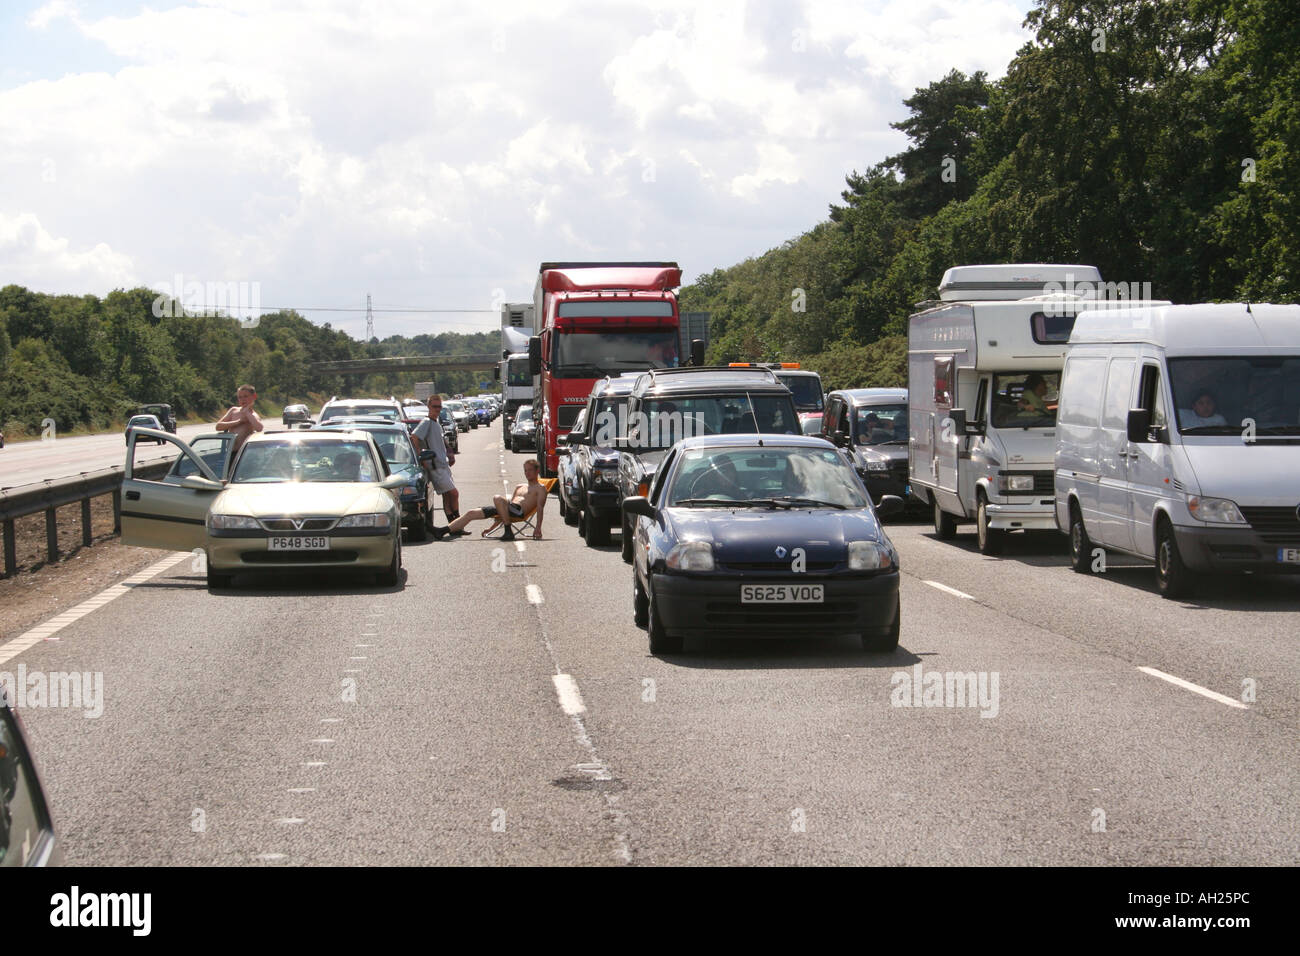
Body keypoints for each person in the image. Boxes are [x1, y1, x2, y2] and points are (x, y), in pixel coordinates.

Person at [431, 459, 547, 542]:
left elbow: (540, 508)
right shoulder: (519, 486)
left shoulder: (540, 488)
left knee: (497, 497)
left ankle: (508, 532)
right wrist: (491, 529)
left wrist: (538, 528)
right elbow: (504, 512)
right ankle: (442, 531)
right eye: (525, 470)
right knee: (471, 513)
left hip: (520, 511)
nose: (527, 473)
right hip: (510, 508)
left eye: (530, 470)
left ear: (537, 471)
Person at [411, 395, 459, 525]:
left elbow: (440, 441)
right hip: (435, 466)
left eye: (439, 406)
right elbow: (414, 437)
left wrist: (449, 451)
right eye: (434, 406)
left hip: (443, 464)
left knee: (448, 496)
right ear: (428, 406)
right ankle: (457, 523)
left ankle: (453, 524)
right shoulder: (426, 422)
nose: (437, 409)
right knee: (454, 494)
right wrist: (420, 457)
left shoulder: (435, 422)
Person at [215, 384, 264, 456]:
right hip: (230, 452)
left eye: (245, 396)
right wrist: (239, 422)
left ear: (254, 396)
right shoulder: (233, 411)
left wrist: (247, 412)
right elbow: (218, 426)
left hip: (243, 454)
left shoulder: (253, 415)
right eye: (240, 397)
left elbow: (259, 428)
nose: (243, 399)